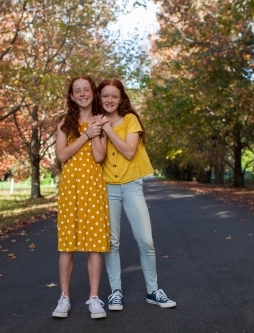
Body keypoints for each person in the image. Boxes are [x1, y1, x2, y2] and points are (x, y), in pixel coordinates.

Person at [96, 78, 176, 310]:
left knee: (146, 241)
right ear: (99, 98)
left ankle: (153, 291)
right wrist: (98, 130)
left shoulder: (130, 120)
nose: (110, 100)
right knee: (112, 242)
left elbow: (129, 151)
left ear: (121, 99)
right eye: (105, 96)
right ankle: (116, 292)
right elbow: (98, 156)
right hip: (107, 187)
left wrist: (107, 129)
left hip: (131, 185)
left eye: (114, 96)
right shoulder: (96, 123)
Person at [52, 75, 110, 319]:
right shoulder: (65, 123)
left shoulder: (102, 121)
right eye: (78, 90)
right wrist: (86, 134)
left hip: (94, 186)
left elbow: (99, 157)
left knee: (95, 244)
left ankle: (94, 298)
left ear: (92, 93)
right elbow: (62, 156)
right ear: (72, 96)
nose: (83, 94)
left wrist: (95, 131)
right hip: (71, 187)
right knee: (68, 244)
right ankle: (64, 298)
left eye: (87, 89)